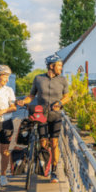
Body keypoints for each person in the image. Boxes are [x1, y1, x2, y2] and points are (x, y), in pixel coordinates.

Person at [16, 54, 70, 183]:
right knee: (43, 143)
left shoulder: (63, 80)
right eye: (59, 65)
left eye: (61, 66)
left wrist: (60, 103)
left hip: (56, 115)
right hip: (42, 115)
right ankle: (43, 164)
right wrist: (24, 101)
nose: (61, 68)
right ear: (51, 66)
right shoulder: (38, 78)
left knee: (54, 143)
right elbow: (31, 95)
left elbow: (67, 97)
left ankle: (54, 172)